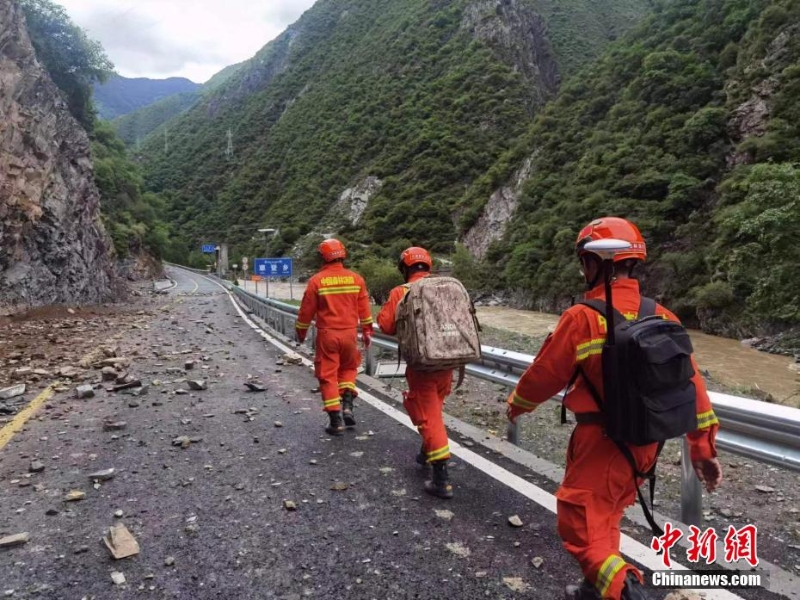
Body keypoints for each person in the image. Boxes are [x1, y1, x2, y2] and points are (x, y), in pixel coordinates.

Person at [505, 217, 723, 600]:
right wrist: (702, 450)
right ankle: (596, 588)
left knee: (579, 522)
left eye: (584, 261)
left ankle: (627, 591)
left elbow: (544, 375)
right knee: (606, 513)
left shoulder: (582, 318)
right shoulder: (665, 316)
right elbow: (693, 387)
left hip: (601, 440)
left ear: (595, 263)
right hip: (647, 443)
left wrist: (516, 407)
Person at [377, 247, 454, 499]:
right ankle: (426, 450)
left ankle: (440, 477)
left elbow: (387, 325)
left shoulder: (401, 291)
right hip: (448, 362)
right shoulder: (446, 287)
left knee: (425, 413)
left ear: (405, 268)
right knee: (434, 408)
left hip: (421, 365)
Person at [296, 239, 373, 435]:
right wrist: (367, 331)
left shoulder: (317, 281)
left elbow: (306, 312)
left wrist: (300, 333)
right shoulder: (356, 279)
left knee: (327, 375)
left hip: (328, 335)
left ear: (322, 256)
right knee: (348, 369)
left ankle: (335, 420)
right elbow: (364, 310)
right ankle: (347, 404)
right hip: (349, 334)